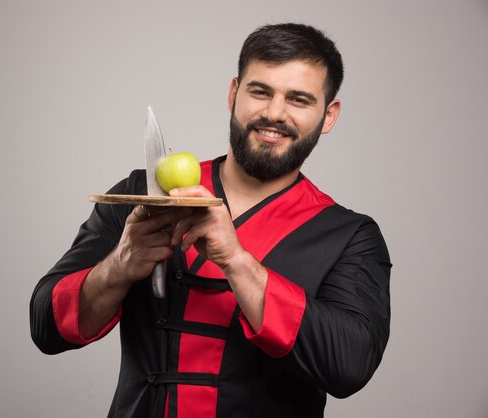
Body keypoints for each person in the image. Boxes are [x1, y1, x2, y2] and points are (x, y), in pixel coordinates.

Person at [30, 23, 391, 418]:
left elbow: (349, 366)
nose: (273, 113)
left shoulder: (348, 236)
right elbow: (45, 326)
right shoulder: (142, 195)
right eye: (260, 91)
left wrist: (238, 262)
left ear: (328, 115)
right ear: (234, 93)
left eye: (299, 99)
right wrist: (119, 266)